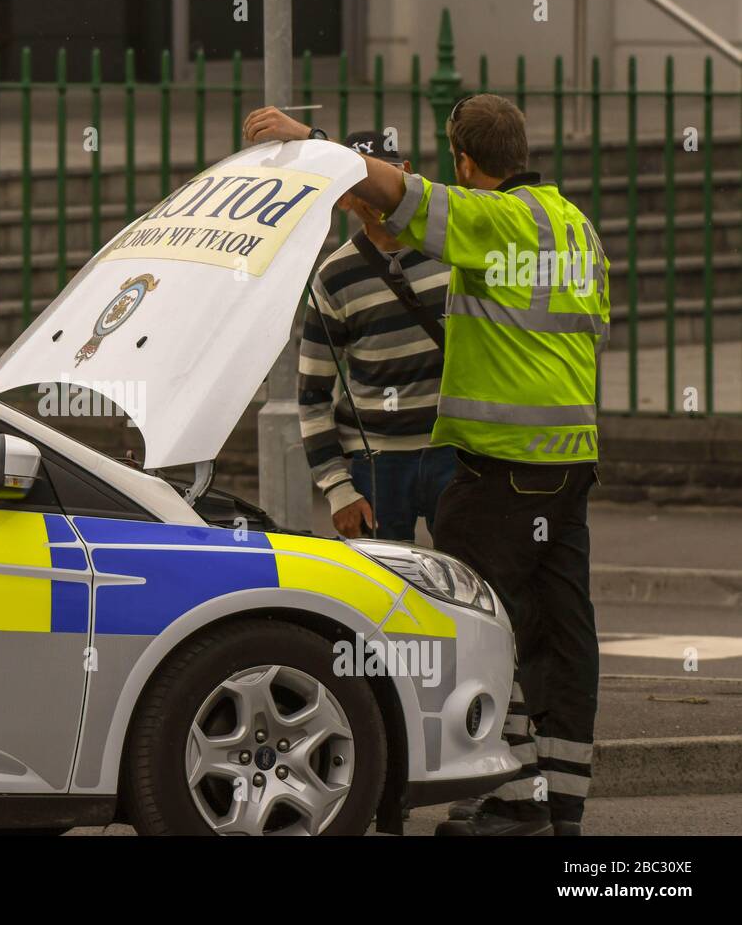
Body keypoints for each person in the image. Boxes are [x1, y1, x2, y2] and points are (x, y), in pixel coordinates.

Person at [244, 94, 610, 836]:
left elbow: (395, 192)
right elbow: (592, 324)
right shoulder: (574, 226)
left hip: (499, 470)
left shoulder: (489, 219)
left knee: (478, 629)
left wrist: (308, 139)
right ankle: (560, 800)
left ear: (466, 164)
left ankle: (516, 797)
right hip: (569, 464)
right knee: (562, 634)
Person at [298, 129, 454, 542]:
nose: (375, 194)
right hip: (376, 465)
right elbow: (312, 393)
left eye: (383, 177)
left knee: (467, 586)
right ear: (344, 198)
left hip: (455, 452)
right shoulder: (333, 278)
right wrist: (338, 490)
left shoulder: (452, 252)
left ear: (404, 176)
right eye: (359, 184)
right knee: (384, 596)